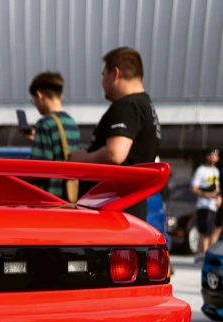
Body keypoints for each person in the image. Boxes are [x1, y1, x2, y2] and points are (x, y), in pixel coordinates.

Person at [68, 47, 160, 221]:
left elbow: (115, 154)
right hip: (130, 208)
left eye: (103, 75)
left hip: (114, 211)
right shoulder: (145, 105)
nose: (102, 82)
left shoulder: (127, 106)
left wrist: (81, 158)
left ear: (115, 74)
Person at [21, 72, 80, 201]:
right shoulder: (71, 123)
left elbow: (38, 167)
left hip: (48, 198)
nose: (35, 104)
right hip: (69, 196)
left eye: (33, 100)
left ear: (39, 95)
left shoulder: (45, 124)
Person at [191, 148, 221, 262]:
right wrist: (206, 194)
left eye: (214, 155)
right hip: (204, 205)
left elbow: (217, 187)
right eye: (210, 155)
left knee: (212, 231)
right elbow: (193, 188)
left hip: (213, 206)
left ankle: (205, 254)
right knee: (204, 232)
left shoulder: (216, 171)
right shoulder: (201, 170)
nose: (212, 157)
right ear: (206, 157)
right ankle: (203, 255)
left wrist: (218, 197)